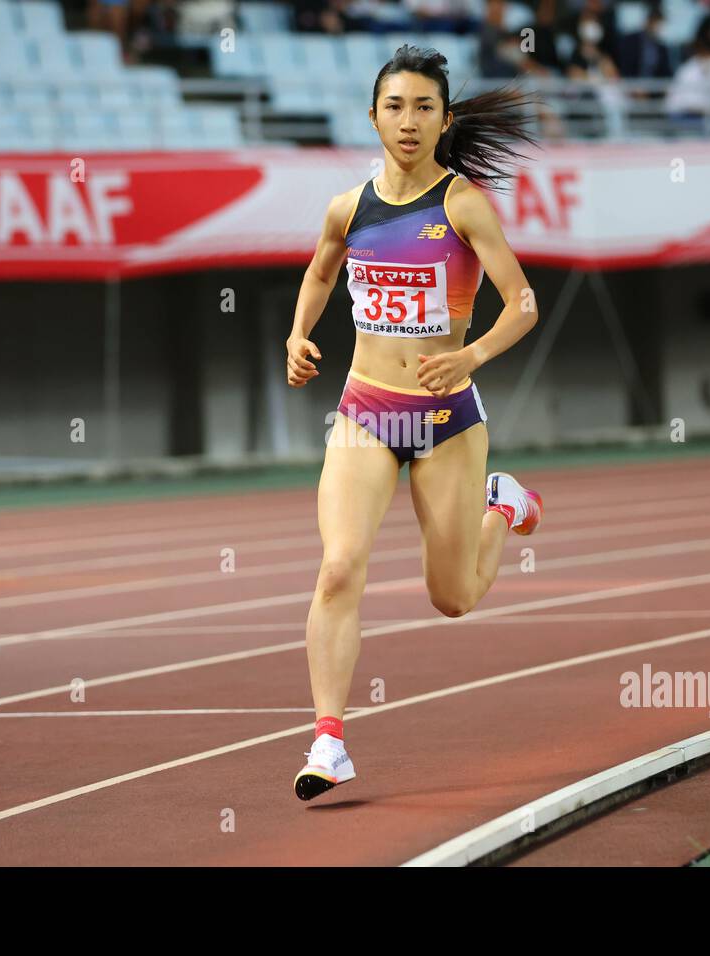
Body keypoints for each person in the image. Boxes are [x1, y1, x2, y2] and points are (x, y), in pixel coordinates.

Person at [285, 44, 544, 800]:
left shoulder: (461, 204)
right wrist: (299, 334)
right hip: (365, 410)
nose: (408, 121)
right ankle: (329, 740)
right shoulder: (349, 207)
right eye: (395, 107)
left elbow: (523, 302)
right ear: (373, 116)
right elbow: (321, 269)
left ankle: (504, 504)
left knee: (452, 598)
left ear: (444, 119)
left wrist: (475, 355)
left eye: (424, 107)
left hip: (448, 420)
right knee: (339, 566)